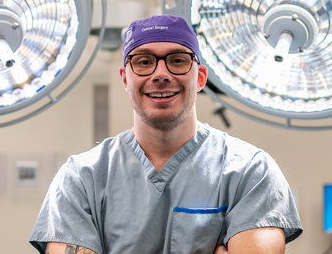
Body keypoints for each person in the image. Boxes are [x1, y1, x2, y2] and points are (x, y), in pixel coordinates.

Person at [29, 15, 302, 254]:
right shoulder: (81, 178)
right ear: (126, 79)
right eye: (144, 61)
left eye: (178, 60)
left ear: (200, 77)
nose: (160, 74)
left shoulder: (251, 171)